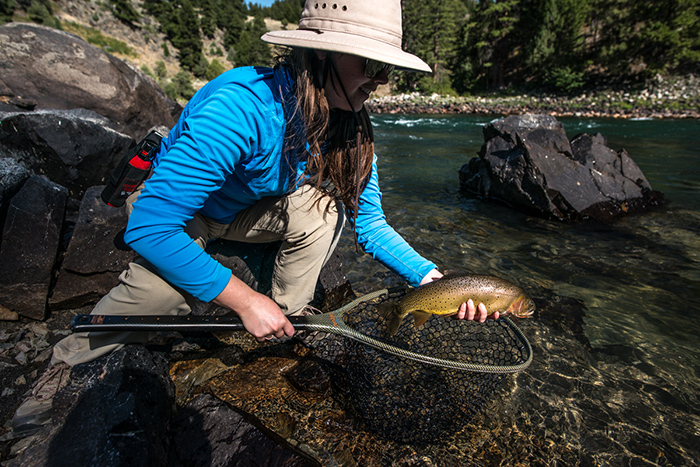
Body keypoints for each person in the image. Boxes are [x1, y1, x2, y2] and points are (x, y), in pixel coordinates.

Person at [11, 0, 498, 437]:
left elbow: (369, 224)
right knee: (159, 299)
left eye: (385, 68)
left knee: (326, 208)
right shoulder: (242, 106)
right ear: (320, 55)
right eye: (369, 64)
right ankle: (55, 380)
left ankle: (283, 317)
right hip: (187, 216)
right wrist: (243, 301)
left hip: (245, 213)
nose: (380, 79)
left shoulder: (349, 127)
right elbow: (151, 226)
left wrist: (441, 282)